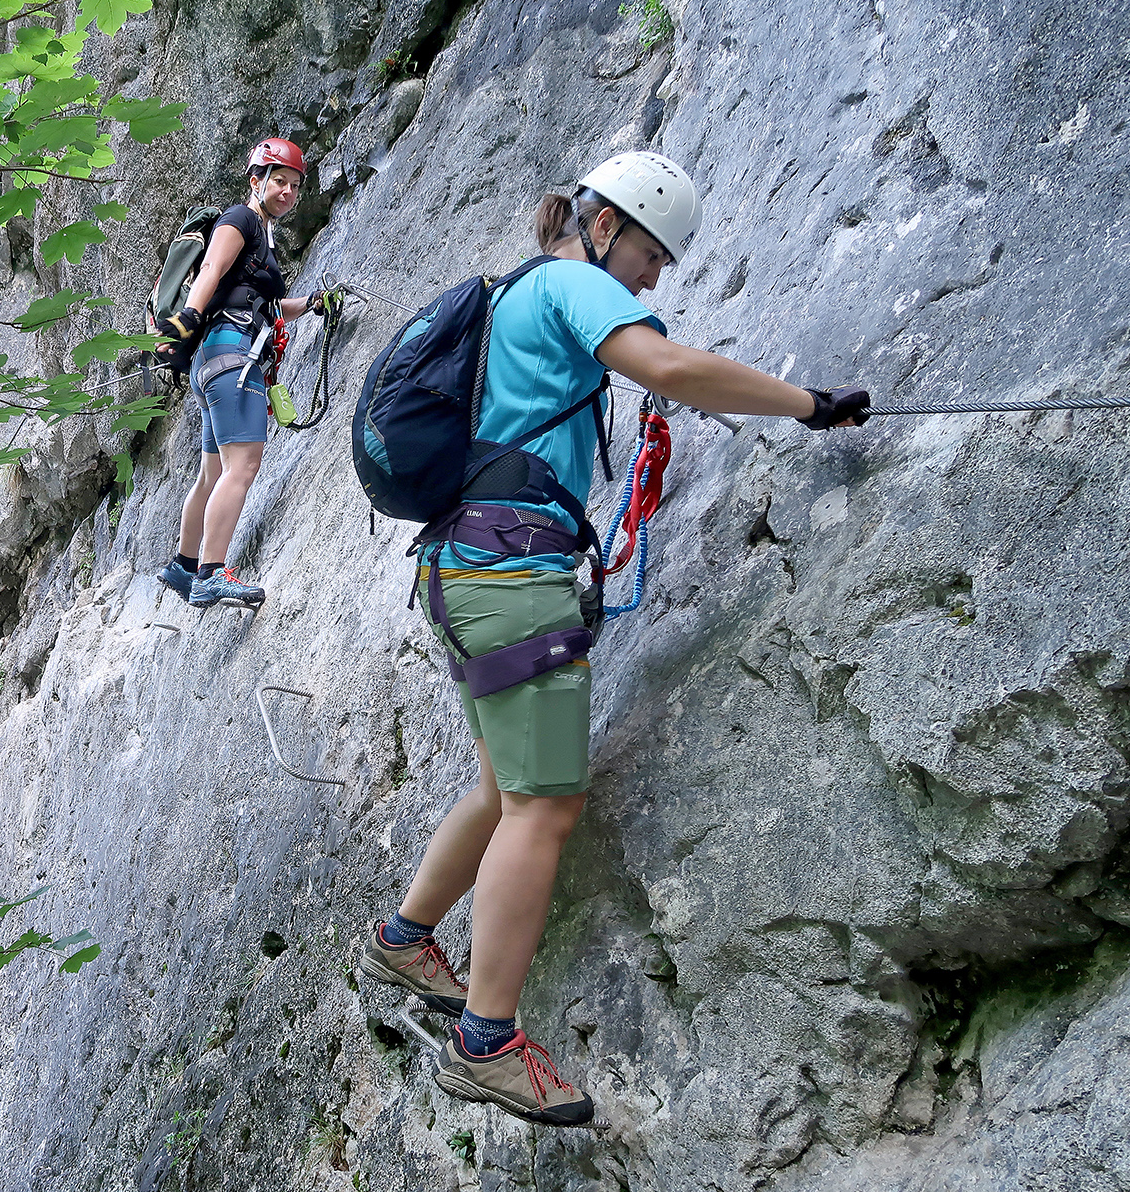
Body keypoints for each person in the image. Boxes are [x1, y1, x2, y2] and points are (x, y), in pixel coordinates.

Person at [357, 151, 870, 1125]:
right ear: (602, 225)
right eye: (649, 252)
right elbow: (667, 364)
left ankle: (402, 937)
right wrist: (810, 404)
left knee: (503, 791)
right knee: (544, 809)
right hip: (509, 575)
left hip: (465, 568)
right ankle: (487, 1041)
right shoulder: (572, 283)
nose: (653, 276)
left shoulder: (522, 295)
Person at [153, 138, 341, 609]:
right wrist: (187, 318)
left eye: (295, 185)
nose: (288, 191)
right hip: (233, 357)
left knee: (212, 470)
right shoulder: (240, 219)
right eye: (279, 180)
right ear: (256, 180)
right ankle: (212, 572)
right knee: (244, 465)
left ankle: (183, 564)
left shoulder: (262, 239)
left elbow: (268, 305)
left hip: (216, 361)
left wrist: (314, 303)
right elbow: (212, 268)